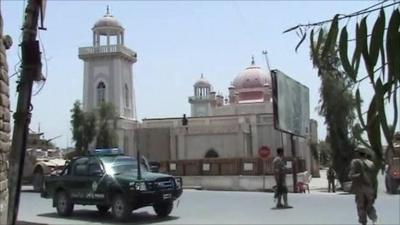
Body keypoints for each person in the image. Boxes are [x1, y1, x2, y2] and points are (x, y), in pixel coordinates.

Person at [348, 146, 377, 225]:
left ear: (358, 153)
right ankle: (374, 218)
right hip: (370, 189)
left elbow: (351, 175)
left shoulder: (355, 162)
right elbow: (374, 179)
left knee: (361, 206)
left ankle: (363, 222)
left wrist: (356, 176)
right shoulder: (371, 163)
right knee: (369, 206)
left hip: (360, 189)